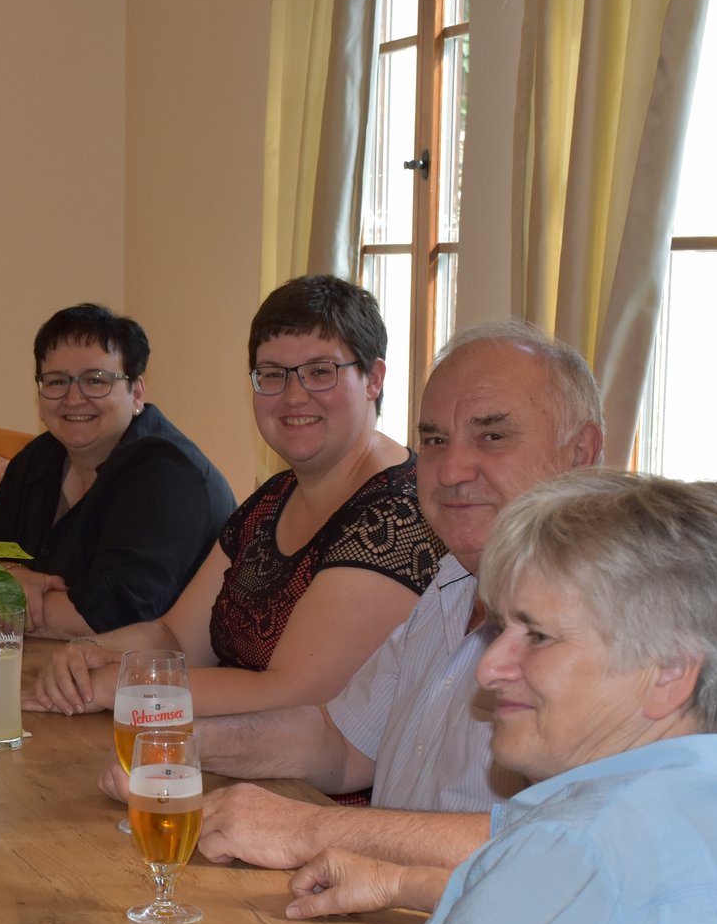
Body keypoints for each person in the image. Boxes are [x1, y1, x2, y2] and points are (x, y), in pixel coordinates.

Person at [139, 320, 717, 895]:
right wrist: (182, 747)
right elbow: (341, 743)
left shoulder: (664, 610)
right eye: (435, 440)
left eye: (491, 435)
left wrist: (309, 828)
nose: (449, 470)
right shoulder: (451, 576)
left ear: (582, 451)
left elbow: (610, 846)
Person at [302, 470, 717, 924]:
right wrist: (402, 882)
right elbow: (578, 913)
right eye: (500, 629)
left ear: (669, 671)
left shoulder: (574, 851)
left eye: (537, 636)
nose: (488, 668)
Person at [32, 275, 442, 719]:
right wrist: (88, 653)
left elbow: (295, 696)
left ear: (373, 379)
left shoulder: (400, 516)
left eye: (320, 372)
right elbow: (175, 636)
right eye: (273, 374)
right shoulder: (274, 498)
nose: (294, 396)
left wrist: (125, 685)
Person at [0, 303, 235, 637]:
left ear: (136, 393)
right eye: (56, 381)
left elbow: (109, 617)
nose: (73, 398)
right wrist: (10, 574)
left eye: (96, 380)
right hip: (59, 661)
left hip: (163, 669)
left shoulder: (167, 474)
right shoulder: (38, 458)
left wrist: (2, 600)